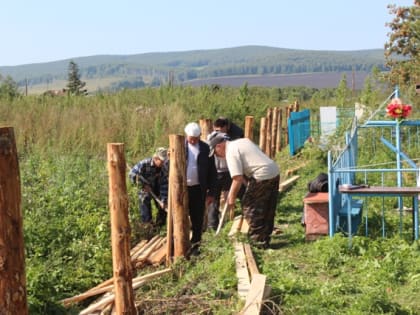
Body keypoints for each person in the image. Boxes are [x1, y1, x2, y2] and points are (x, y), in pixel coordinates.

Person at [208, 131, 280, 248]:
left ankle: (257, 241)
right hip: (274, 171)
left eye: (215, 153)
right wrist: (248, 185)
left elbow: (237, 178)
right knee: (268, 206)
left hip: (262, 175)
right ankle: (265, 238)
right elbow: (250, 164)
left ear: (219, 146)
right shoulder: (242, 141)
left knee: (249, 206)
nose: (217, 156)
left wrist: (231, 198)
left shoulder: (230, 152)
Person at [184, 122, 217, 255]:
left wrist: (211, 192)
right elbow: (168, 169)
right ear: (186, 135)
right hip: (182, 189)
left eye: (195, 138)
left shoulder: (205, 148)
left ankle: (196, 244)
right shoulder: (179, 147)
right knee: (180, 216)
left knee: (197, 217)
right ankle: (180, 244)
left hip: (198, 188)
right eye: (191, 137)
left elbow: (212, 172)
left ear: (200, 136)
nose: (193, 140)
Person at [207, 117, 244, 230]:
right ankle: (212, 225)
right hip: (219, 172)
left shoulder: (227, 137)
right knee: (214, 199)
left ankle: (246, 215)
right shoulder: (214, 139)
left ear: (226, 127)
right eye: (217, 130)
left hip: (228, 171)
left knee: (238, 193)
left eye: (220, 129)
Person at [129, 147, 169, 227]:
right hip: (145, 187)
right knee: (144, 200)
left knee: (163, 205)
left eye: (164, 161)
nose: (163, 163)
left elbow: (164, 184)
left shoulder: (164, 167)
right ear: (155, 158)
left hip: (157, 186)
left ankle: (159, 226)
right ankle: (147, 224)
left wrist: (163, 199)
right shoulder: (144, 163)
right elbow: (131, 174)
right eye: (161, 161)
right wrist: (142, 185)